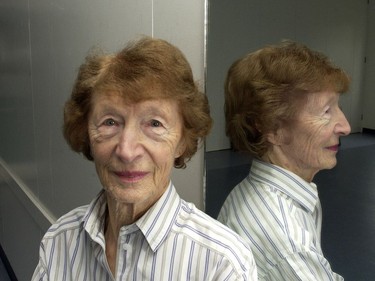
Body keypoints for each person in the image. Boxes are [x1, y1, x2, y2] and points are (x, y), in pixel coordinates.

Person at [32, 36, 257, 280]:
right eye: (110, 122)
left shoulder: (221, 264)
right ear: (86, 132)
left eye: (154, 123)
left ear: (182, 141)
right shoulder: (59, 242)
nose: (127, 151)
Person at [217, 41, 351, 280]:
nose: (345, 127)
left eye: (338, 107)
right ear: (272, 128)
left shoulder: (254, 192)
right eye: (326, 112)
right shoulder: (288, 243)